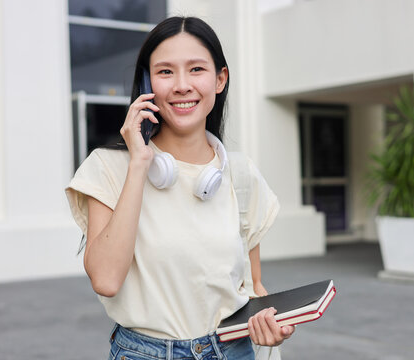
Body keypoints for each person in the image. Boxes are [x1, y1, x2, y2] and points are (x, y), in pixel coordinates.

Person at [66, 16, 295, 360]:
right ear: (147, 82)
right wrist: (139, 163)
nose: (182, 85)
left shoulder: (241, 175)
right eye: (165, 72)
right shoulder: (109, 168)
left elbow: (252, 287)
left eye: (197, 69)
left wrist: (270, 325)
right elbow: (106, 280)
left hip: (234, 350)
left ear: (220, 80)